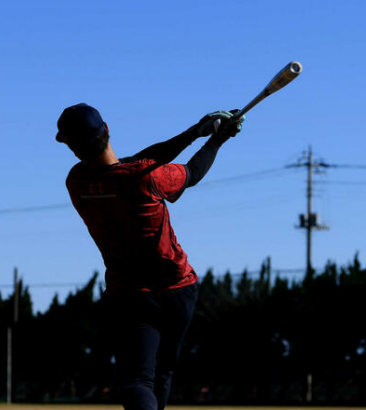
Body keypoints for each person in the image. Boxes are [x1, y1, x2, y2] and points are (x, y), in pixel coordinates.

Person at [57, 103, 244, 410]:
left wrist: (196, 130)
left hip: (130, 295)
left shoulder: (76, 181)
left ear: (73, 149)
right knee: (162, 374)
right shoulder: (149, 179)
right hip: (179, 289)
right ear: (107, 130)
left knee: (138, 380)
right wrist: (214, 140)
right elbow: (191, 173)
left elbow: (136, 163)